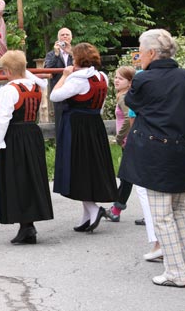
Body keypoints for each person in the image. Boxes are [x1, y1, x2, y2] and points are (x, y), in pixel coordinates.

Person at [119, 29, 185, 287]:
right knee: (178, 209)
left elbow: (131, 101)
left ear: (152, 53)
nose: (138, 56)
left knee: (162, 215)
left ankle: (175, 271)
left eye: (140, 51)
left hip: (155, 154)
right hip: (183, 152)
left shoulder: (144, 80)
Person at [50, 42, 117, 233]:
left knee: (78, 169)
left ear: (77, 59)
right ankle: (87, 214)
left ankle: (94, 209)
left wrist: (63, 76)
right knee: (88, 168)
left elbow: (55, 96)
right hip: (95, 124)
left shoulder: (77, 79)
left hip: (77, 127)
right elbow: (101, 105)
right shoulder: (101, 76)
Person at [0, 50, 54, 244]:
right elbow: (41, 81)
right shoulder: (35, 86)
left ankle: (26, 226)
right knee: (30, 177)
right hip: (32, 134)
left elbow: (1, 120)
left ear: (7, 71)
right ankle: (28, 225)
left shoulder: (8, 91)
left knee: (17, 178)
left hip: (15, 136)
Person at [103, 66, 137, 222]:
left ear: (130, 82)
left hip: (129, 142)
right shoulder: (123, 96)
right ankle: (116, 208)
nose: (116, 80)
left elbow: (129, 119)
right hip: (129, 141)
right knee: (128, 176)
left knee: (127, 176)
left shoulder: (124, 98)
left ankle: (116, 209)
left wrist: (120, 137)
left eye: (121, 78)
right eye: (115, 77)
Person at [44, 28, 73, 138]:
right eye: (62, 35)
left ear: (71, 38)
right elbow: (47, 69)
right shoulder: (51, 54)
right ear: (58, 38)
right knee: (60, 118)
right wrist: (56, 54)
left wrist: (71, 52)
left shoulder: (75, 53)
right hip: (59, 89)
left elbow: (82, 65)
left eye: (67, 35)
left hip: (74, 90)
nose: (65, 37)